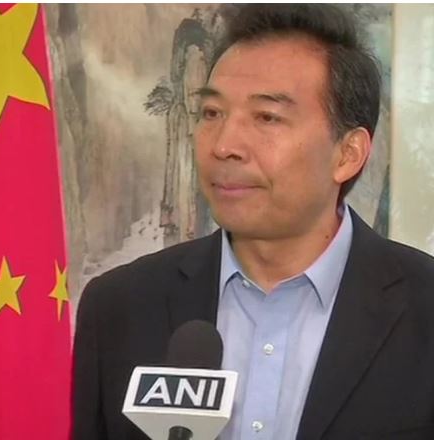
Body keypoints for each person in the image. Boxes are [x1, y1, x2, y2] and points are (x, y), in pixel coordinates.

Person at [72, 4, 434, 440]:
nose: (224, 145)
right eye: (212, 113)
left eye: (267, 117)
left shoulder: (423, 308)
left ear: (348, 153)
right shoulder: (119, 308)